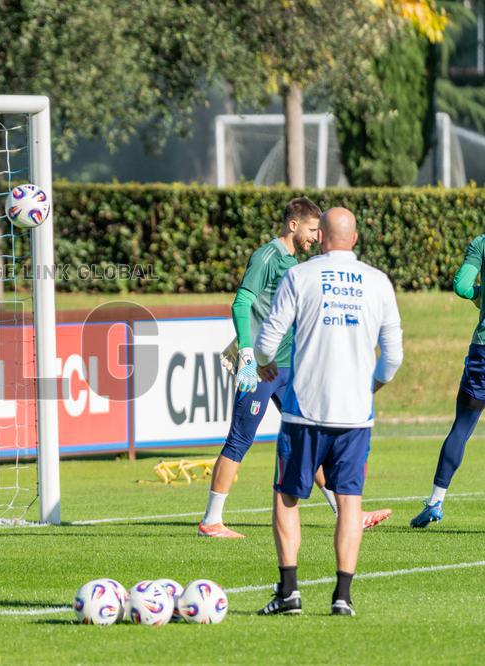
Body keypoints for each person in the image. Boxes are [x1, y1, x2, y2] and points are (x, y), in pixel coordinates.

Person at [199, 197, 392, 538]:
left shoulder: (294, 263)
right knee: (240, 439)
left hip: (290, 369)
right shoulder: (268, 257)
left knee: (310, 438)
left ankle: (348, 513)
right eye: (313, 229)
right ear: (293, 225)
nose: (317, 237)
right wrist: (247, 355)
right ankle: (211, 521)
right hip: (261, 369)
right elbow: (241, 302)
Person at [255, 207, 403, 617]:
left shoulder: (300, 276)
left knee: (287, 496)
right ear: (354, 239)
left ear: (321, 238)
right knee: (350, 499)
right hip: (355, 415)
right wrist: (371, 385)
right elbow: (393, 357)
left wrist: (264, 361)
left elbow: (268, 337)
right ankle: (342, 596)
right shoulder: (378, 282)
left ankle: (289, 593)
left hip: (304, 410)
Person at [410, 233, 485, 528]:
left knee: (462, 429)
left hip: (483, 352)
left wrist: (480, 294)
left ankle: (435, 502)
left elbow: (462, 286)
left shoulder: (481, 243)